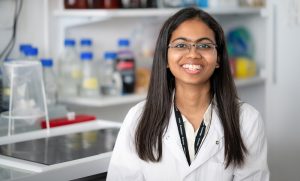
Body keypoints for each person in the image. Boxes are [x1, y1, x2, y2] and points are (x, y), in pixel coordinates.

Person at [107, 7, 269, 181]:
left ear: (218, 59)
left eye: (204, 45)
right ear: (166, 57)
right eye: (181, 45)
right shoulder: (137, 118)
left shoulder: (246, 120)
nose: (193, 54)